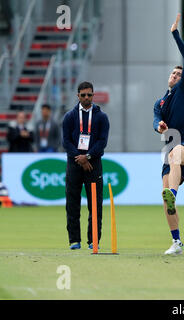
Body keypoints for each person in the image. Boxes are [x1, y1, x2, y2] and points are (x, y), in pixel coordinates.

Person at [153, 13, 184, 255]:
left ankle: (173, 192)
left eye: (179, 75)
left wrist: (175, 34)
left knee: (174, 155)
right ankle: (177, 242)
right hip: (173, 144)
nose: (175, 76)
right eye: (173, 74)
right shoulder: (161, 102)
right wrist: (159, 126)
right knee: (165, 199)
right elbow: (155, 119)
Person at [62, 81, 110, 250]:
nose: (86, 97)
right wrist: (79, 157)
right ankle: (74, 240)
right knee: (72, 203)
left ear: (93, 95)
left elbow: (102, 142)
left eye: (89, 94)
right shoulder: (69, 116)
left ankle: (94, 241)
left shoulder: (101, 117)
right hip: (74, 163)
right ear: (78, 96)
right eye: (83, 95)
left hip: (93, 163)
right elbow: (66, 141)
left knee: (95, 204)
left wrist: (88, 156)